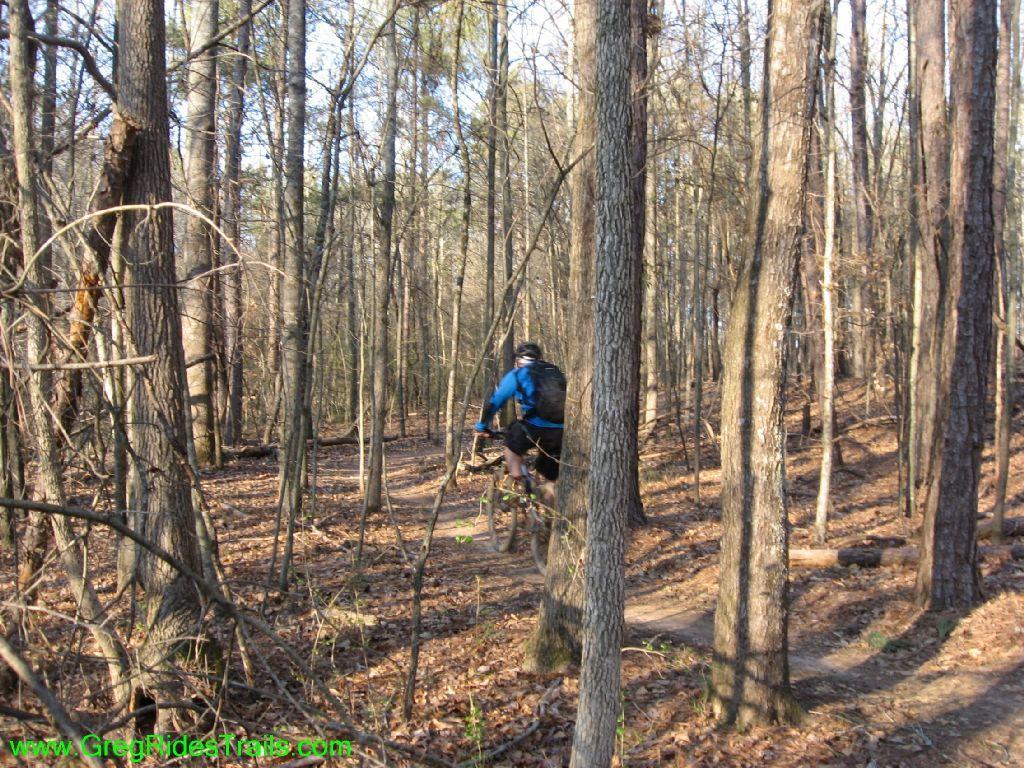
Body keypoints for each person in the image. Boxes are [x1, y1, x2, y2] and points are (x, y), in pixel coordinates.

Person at [475, 342, 565, 491]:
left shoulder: (517, 375)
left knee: (511, 448)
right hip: (561, 430)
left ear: (518, 360)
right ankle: (549, 508)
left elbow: (495, 402)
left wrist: (482, 426)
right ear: (539, 358)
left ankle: (526, 483)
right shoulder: (554, 371)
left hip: (536, 427)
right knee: (551, 480)